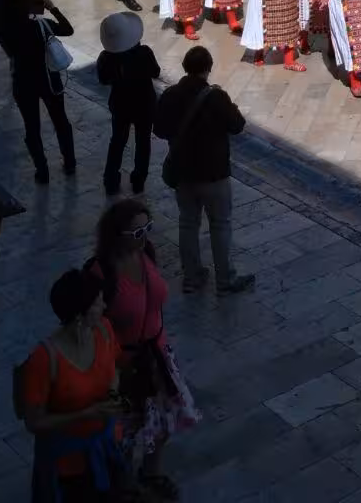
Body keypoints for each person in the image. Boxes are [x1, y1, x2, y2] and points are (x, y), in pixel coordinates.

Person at [85, 200, 199, 497]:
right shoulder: (100, 272)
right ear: (116, 234)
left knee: (161, 420)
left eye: (148, 228)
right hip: (122, 363)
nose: (144, 236)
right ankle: (120, 483)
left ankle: (151, 473)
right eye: (137, 232)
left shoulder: (145, 253)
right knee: (124, 429)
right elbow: (90, 324)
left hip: (157, 354)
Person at [18, 269, 129, 503]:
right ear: (80, 315)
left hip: (108, 447)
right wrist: (85, 414)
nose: (104, 306)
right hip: (69, 465)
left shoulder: (104, 330)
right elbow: (34, 422)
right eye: (98, 303)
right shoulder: (44, 359)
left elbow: (115, 366)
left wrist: (111, 392)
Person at [153, 45, 255, 294]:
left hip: (183, 173)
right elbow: (237, 125)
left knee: (188, 223)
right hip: (214, 173)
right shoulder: (216, 97)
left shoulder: (170, 95)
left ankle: (192, 276)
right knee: (220, 224)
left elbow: (160, 130)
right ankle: (225, 279)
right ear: (208, 69)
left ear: (185, 67)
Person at [0, 0, 77, 183]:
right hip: (48, 79)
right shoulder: (41, 25)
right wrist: (52, 8)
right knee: (61, 121)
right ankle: (70, 163)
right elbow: (68, 29)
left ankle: (42, 171)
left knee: (32, 128)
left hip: (23, 83)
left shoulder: (4, 31)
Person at [96, 12, 160, 197]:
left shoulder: (106, 58)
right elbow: (155, 72)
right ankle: (139, 180)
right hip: (144, 104)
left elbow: (103, 80)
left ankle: (111, 180)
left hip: (120, 104)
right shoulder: (144, 52)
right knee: (143, 142)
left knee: (117, 141)